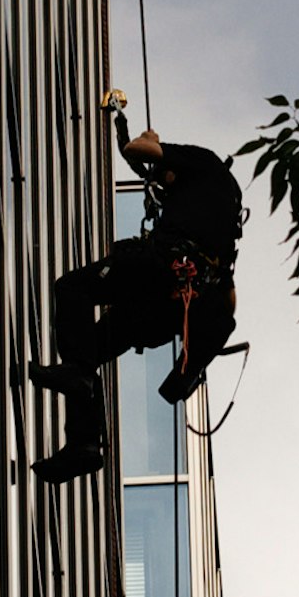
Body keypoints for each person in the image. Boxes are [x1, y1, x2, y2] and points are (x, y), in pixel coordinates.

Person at [33, 91, 243, 472]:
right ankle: (84, 444)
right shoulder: (223, 224)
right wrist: (188, 366)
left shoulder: (204, 163)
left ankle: (79, 387)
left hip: (162, 269)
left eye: (165, 179)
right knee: (88, 350)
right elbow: (228, 305)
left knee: (72, 288)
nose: (161, 184)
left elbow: (136, 149)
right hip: (163, 309)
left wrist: (151, 139)